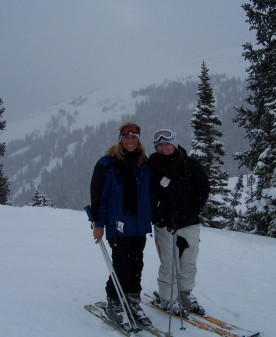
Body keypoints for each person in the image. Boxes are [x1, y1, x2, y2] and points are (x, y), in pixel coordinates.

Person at [90, 122, 153, 327]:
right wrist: (98, 223)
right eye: (126, 137)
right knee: (122, 264)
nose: (130, 140)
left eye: (134, 137)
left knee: (137, 263)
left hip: (139, 224)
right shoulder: (107, 163)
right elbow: (98, 196)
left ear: (138, 140)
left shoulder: (145, 164)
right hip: (118, 223)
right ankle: (114, 300)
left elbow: (152, 192)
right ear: (120, 139)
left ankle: (133, 299)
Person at [149, 129, 210, 315]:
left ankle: (185, 293)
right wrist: (157, 215)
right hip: (165, 224)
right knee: (169, 263)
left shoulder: (189, 164)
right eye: (159, 145)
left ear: (174, 144)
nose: (164, 148)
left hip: (189, 223)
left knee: (188, 261)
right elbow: (148, 194)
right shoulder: (152, 166)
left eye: (167, 144)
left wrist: (192, 210)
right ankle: (168, 298)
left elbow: (203, 188)